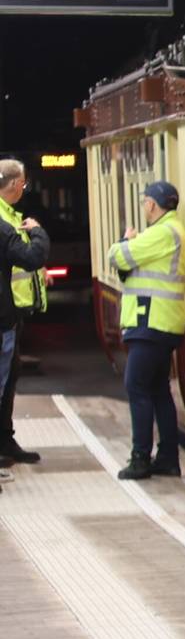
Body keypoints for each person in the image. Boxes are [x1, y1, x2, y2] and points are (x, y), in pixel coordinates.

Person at [109, 180, 185, 481]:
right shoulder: (171, 231)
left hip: (151, 321)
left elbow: (116, 257)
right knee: (158, 390)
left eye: (145, 201)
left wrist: (124, 240)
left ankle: (140, 458)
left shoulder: (162, 232)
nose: (144, 206)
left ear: (153, 205)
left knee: (137, 387)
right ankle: (168, 458)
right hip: (159, 322)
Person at [0, 160, 50, 485]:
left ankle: (5, 441)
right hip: (3, 316)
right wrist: (38, 233)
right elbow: (33, 257)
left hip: (10, 313)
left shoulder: (7, 217)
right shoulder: (5, 223)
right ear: (15, 184)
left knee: (8, 383)